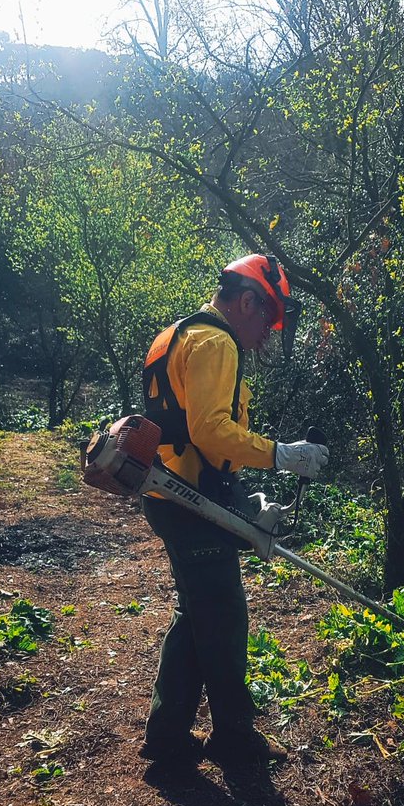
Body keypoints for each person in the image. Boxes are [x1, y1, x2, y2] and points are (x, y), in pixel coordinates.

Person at [140, 253, 329, 768]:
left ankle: (167, 737)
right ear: (246, 302)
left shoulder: (178, 333)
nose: (266, 335)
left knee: (196, 613)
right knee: (222, 616)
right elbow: (209, 431)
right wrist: (280, 455)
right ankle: (233, 737)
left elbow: (188, 430)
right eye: (267, 321)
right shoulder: (217, 341)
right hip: (189, 499)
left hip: (169, 493)